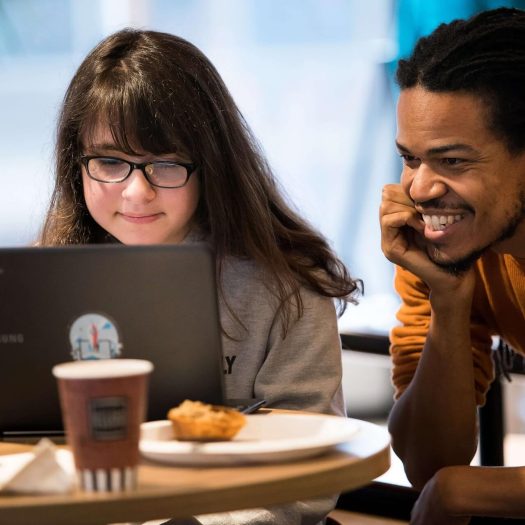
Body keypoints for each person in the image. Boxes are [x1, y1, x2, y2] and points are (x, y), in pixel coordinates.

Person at [38, 28, 361, 525]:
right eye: (109, 162)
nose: (135, 193)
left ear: (211, 164)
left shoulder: (287, 284)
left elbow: (309, 466)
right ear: (75, 163)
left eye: (164, 164)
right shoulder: (43, 281)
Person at [379, 6, 525, 524]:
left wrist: (467, 492)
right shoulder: (452, 247)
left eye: (454, 161)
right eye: (411, 158)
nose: (419, 189)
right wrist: (448, 298)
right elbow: (428, 461)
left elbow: (448, 488)